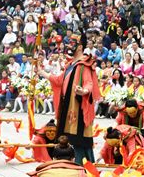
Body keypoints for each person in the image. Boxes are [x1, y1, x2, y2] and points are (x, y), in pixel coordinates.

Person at [39, 31, 101, 163]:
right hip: (67, 105)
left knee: (79, 138)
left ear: (79, 47)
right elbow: (58, 81)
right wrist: (42, 72)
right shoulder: (70, 64)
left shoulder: (84, 64)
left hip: (78, 106)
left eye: (72, 43)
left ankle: (82, 163)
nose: (69, 46)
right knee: (66, 136)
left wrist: (84, 91)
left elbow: (89, 83)